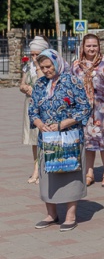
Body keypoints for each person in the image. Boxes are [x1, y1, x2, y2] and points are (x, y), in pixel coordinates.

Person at [29, 49, 91, 231]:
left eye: (48, 66)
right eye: (42, 67)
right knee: (47, 176)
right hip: (47, 138)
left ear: (56, 62)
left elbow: (84, 108)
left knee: (70, 173)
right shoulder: (40, 84)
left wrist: (62, 124)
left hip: (69, 136)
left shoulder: (71, 81)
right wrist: (40, 124)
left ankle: (70, 216)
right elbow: (32, 110)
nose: (46, 70)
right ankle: (51, 214)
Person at [70, 34, 104, 188]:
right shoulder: (76, 65)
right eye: (88, 46)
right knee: (87, 142)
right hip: (83, 111)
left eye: (94, 45)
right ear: (83, 47)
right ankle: (89, 173)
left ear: (99, 46)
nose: (91, 49)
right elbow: (71, 88)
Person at [19, 36, 49, 184]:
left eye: (37, 54)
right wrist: (25, 88)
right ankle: (36, 169)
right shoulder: (27, 66)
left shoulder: (48, 66)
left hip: (44, 107)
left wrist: (38, 65)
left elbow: (45, 83)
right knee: (34, 139)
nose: (34, 57)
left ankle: (44, 169)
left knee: (45, 136)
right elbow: (22, 84)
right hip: (30, 105)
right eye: (32, 54)